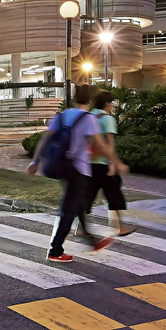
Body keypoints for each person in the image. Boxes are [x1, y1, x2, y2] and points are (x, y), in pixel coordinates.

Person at [27, 82, 114, 261]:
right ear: (90, 100)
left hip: (62, 166)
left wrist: (35, 161)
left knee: (76, 203)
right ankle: (56, 250)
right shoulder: (88, 119)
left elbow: (45, 139)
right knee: (69, 208)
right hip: (78, 169)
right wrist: (115, 162)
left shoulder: (62, 116)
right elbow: (99, 144)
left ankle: (89, 238)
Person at [85, 89, 134, 236]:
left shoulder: (88, 116)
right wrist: (114, 163)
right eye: (111, 103)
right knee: (114, 194)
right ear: (107, 103)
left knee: (87, 195)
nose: (112, 106)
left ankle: (80, 228)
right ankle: (120, 227)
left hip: (87, 162)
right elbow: (109, 143)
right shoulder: (107, 119)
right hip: (103, 163)